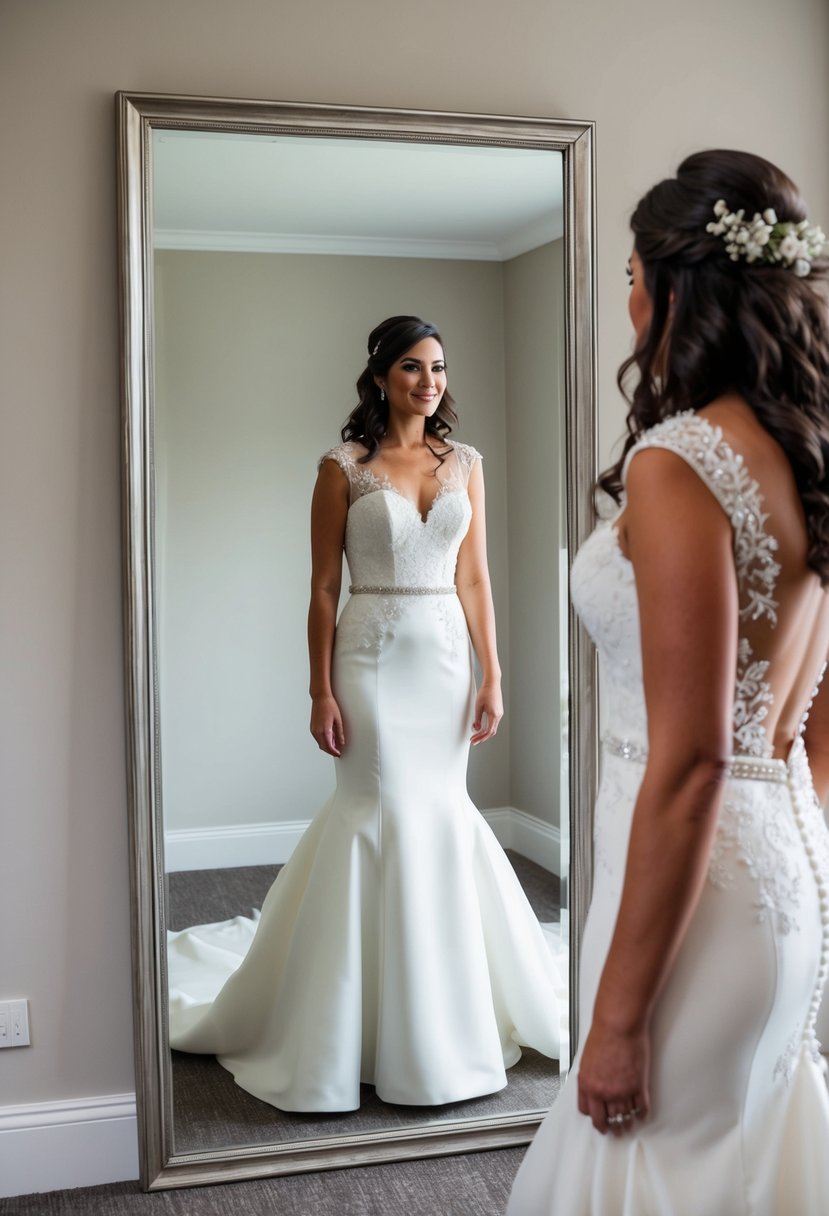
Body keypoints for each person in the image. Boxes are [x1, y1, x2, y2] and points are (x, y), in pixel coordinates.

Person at [508, 151, 829, 1215]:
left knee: (649, 1172)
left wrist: (616, 1015)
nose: (629, 302)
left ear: (674, 286)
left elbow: (688, 762)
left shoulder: (682, 461)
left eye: (633, 277)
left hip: (695, 894)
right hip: (780, 870)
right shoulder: (809, 449)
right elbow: (815, 720)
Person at [166, 314, 563, 1112]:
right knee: (374, 811)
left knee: (441, 813)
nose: (429, 382)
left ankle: (442, 1018)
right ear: (380, 376)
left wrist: (492, 676)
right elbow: (321, 588)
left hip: (446, 660)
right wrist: (319, 688)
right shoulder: (342, 466)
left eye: (439, 367)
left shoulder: (466, 464)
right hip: (371, 658)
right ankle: (345, 1022)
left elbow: (476, 580)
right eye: (413, 367)